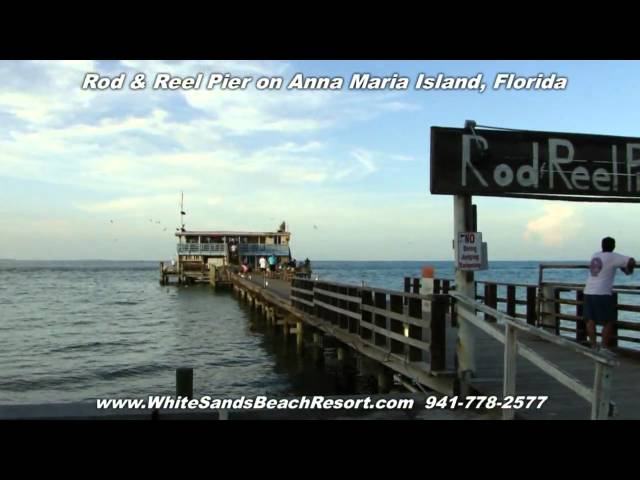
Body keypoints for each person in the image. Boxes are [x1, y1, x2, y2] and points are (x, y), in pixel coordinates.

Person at [584, 237, 636, 351]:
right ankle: (603, 347)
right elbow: (631, 261)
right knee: (609, 321)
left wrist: (623, 268)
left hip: (588, 291)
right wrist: (630, 269)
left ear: (602, 245)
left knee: (590, 320)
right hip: (602, 293)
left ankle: (593, 346)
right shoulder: (613, 256)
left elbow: (611, 265)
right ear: (613, 246)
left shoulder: (595, 255)